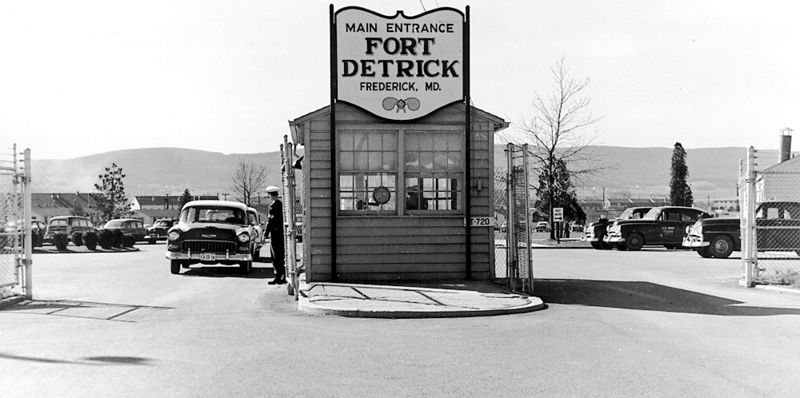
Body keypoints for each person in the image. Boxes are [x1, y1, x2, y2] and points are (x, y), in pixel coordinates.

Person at [265, 186, 286, 285]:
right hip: (281, 233)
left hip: (275, 233)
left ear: (270, 195)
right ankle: (283, 275)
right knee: (281, 255)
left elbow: (270, 221)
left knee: (275, 256)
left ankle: (278, 276)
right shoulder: (281, 205)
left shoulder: (273, 206)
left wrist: (266, 233)